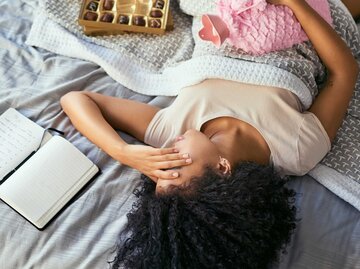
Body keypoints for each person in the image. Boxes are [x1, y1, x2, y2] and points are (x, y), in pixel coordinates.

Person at [60, 0, 359, 268]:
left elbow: (76, 100)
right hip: (299, 17)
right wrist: (292, 2)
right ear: (222, 168)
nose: (167, 158)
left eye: (160, 171)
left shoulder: (171, 130)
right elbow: (344, 71)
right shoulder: (295, 148)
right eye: (176, 167)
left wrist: (124, 152)